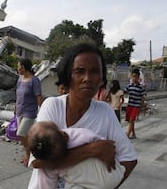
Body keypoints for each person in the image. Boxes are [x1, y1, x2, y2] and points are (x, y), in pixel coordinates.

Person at [28, 43, 137, 189]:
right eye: (79, 71)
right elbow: (37, 161)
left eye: (94, 71)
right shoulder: (53, 105)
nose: (87, 78)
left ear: (101, 79)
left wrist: (107, 184)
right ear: (68, 76)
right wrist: (91, 150)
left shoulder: (105, 112)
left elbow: (129, 160)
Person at [27, 121, 125, 189]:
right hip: (115, 173)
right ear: (64, 134)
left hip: (91, 184)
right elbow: (102, 144)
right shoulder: (78, 134)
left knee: (69, 184)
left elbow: (47, 186)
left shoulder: (47, 167)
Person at [15, 58, 43, 167]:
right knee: (26, 136)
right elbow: (18, 94)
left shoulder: (34, 80)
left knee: (20, 134)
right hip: (19, 111)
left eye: (19, 66)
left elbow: (38, 96)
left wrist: (41, 111)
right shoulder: (20, 79)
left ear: (24, 67)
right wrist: (15, 108)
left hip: (30, 112)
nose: (18, 69)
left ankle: (33, 153)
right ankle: (28, 156)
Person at [124, 68, 146, 139]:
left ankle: (127, 135)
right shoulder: (129, 86)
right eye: (133, 76)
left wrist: (143, 107)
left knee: (131, 120)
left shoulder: (141, 87)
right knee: (130, 121)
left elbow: (142, 98)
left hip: (136, 106)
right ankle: (133, 134)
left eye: (135, 76)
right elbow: (123, 92)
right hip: (130, 105)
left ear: (138, 77)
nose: (134, 78)